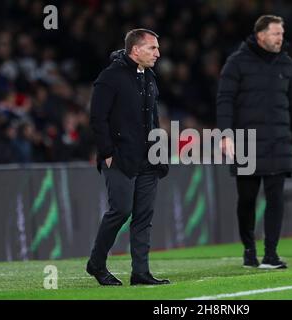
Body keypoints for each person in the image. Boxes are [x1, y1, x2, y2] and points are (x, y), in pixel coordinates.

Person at [217, 15, 292, 269]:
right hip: (246, 142)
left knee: (275, 197)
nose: (281, 38)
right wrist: (225, 134)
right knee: (247, 199)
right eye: (275, 34)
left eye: (282, 33)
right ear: (260, 36)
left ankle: (270, 254)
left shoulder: (288, 64)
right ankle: (249, 248)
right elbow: (224, 99)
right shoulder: (236, 63)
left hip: (279, 142)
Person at [87, 29, 169, 286]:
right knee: (121, 210)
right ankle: (96, 264)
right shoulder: (110, 77)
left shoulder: (149, 76)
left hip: (148, 158)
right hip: (120, 157)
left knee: (144, 216)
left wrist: (159, 152)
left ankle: (140, 273)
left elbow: (153, 118)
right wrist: (107, 153)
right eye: (152, 48)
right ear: (136, 50)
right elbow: (97, 118)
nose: (158, 53)